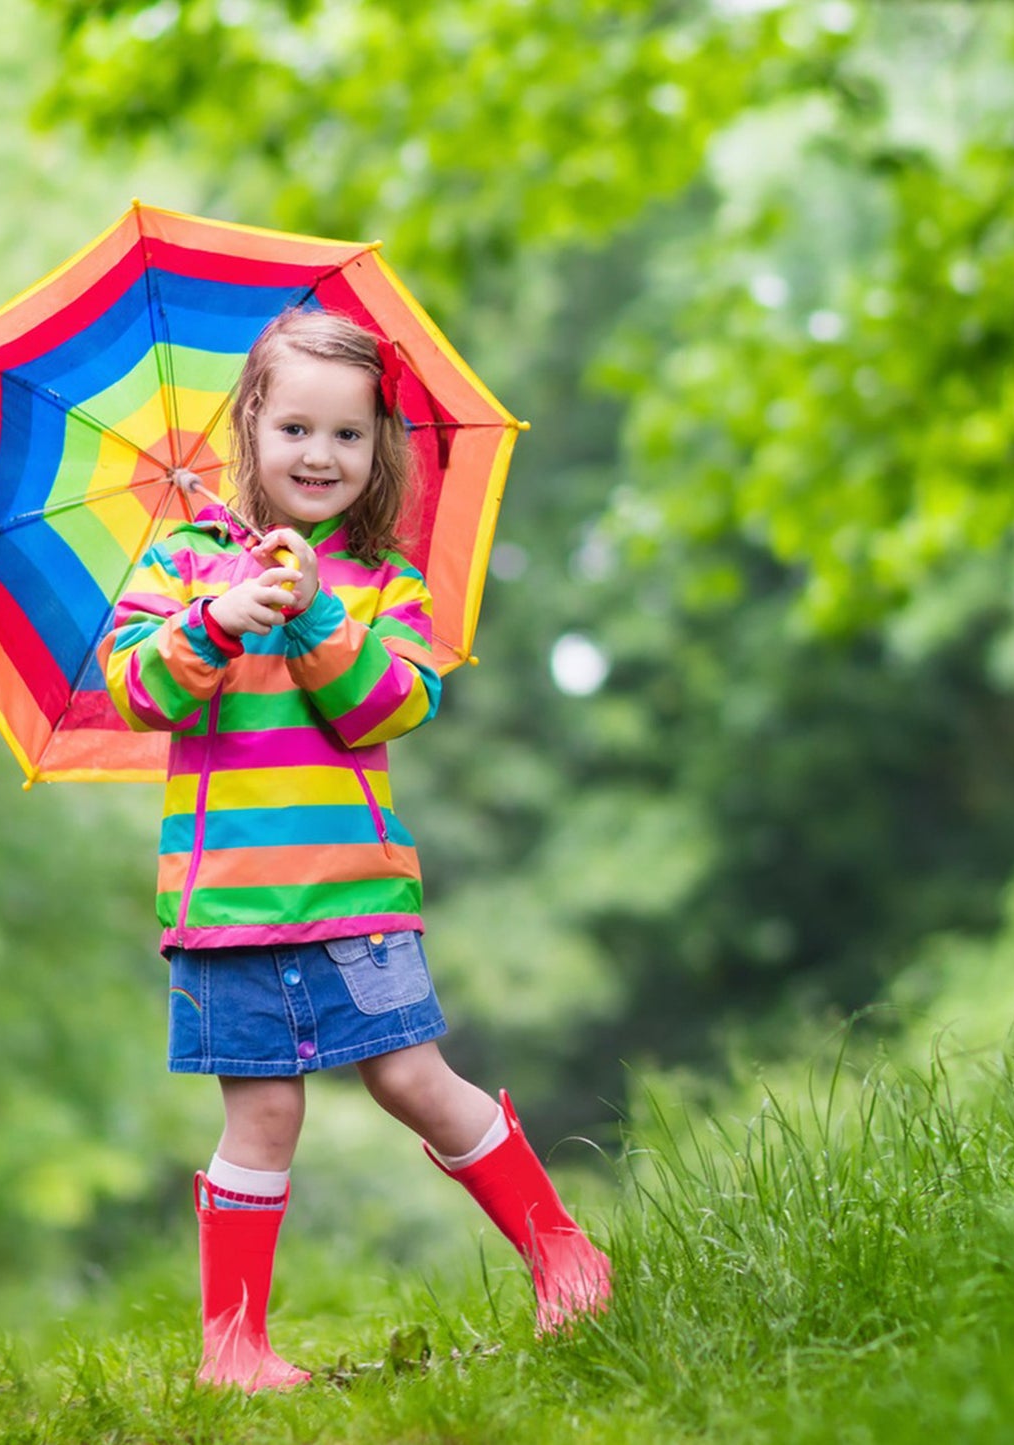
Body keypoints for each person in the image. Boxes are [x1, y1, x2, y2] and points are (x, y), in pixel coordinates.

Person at [101, 308, 610, 1392]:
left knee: (413, 1076)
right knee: (264, 1110)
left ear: (378, 444)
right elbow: (135, 687)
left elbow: (392, 705)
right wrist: (222, 617)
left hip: (355, 895)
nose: (318, 455)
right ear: (250, 425)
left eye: (346, 434)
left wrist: (319, 616)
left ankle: (564, 1254)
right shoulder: (184, 564)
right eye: (293, 428)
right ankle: (231, 1347)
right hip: (226, 904)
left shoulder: (383, 581)